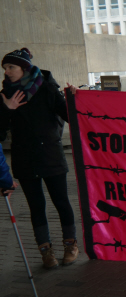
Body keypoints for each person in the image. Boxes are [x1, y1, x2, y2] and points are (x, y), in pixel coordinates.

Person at [0, 48, 81, 269]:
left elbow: (71, 116)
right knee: (36, 206)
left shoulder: (47, 89)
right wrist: (7, 109)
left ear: (24, 68)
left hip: (51, 155)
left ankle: (70, 244)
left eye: (11, 67)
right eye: (5, 68)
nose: (6, 72)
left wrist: (75, 98)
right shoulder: (5, 95)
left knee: (61, 201)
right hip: (24, 159)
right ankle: (45, 250)